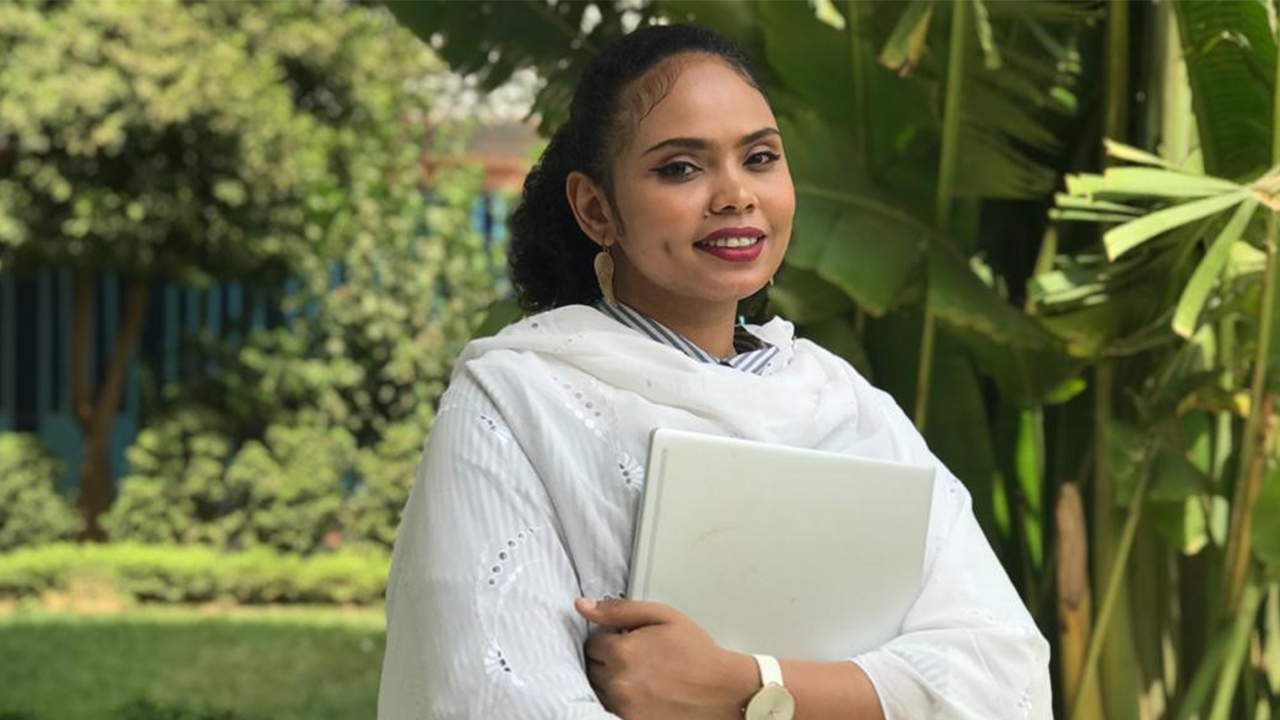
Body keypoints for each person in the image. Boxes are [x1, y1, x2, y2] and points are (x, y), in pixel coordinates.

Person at [378, 23, 1051, 720]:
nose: (735, 194)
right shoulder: (518, 402)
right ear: (596, 208)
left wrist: (744, 685)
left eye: (760, 157)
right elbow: (495, 693)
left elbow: (1006, 678)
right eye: (681, 167)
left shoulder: (848, 405)